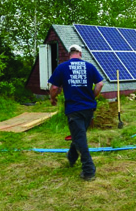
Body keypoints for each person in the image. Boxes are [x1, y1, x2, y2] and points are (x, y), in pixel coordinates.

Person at [48, 44, 104, 181]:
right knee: (78, 134)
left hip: (74, 109)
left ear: (69, 54)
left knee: (80, 137)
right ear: (80, 53)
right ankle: (71, 158)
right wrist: (92, 96)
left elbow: (54, 87)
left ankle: (89, 171)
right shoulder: (89, 66)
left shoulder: (62, 67)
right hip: (89, 109)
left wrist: (52, 98)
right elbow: (100, 84)